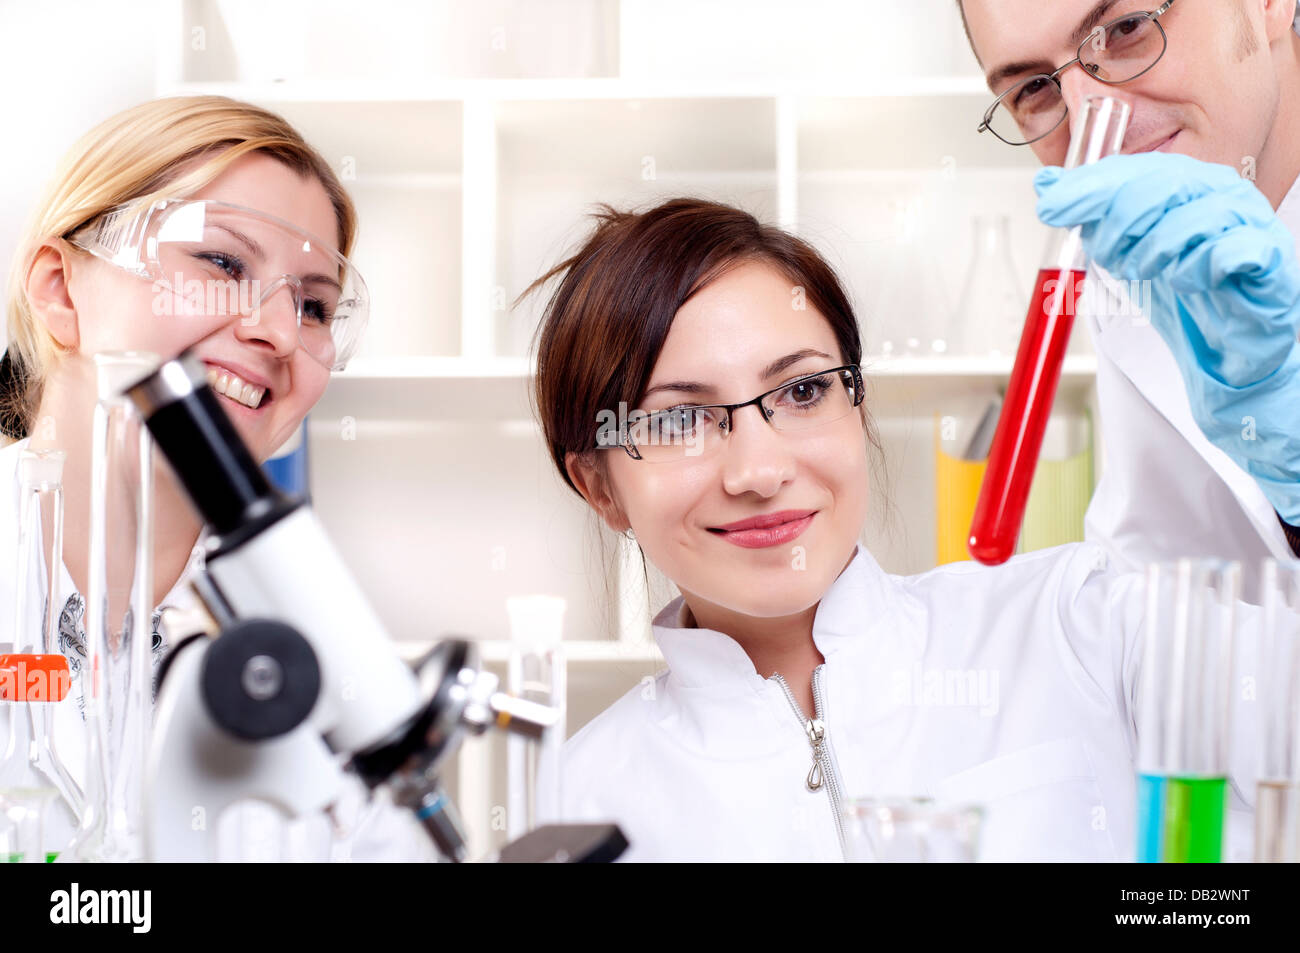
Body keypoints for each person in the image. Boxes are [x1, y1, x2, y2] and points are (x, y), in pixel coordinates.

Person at [527, 197, 1286, 861]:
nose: (756, 470)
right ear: (600, 485)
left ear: (856, 407)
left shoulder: (1077, 623)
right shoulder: (573, 802)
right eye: (681, 419)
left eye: (801, 390)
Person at [0, 95, 434, 861]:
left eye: (314, 305)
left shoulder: (318, 645)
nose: (276, 330)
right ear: (60, 290)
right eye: (222, 262)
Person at [957, 0, 1300, 584]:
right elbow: (1147, 577)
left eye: (1125, 29)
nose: (1091, 116)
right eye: (1035, 88)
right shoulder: (1131, 257)